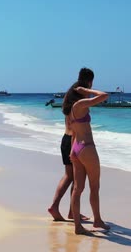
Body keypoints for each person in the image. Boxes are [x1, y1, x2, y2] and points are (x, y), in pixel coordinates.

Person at [63, 67, 110, 234]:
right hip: (87, 148)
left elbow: (73, 131)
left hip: (76, 148)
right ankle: (97, 220)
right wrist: (87, 90)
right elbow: (104, 96)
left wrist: (72, 151)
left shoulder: (70, 110)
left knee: (78, 189)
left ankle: (78, 227)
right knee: (94, 187)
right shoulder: (81, 104)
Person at [47, 69, 95, 222]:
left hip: (65, 139)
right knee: (74, 177)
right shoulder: (81, 94)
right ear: (89, 81)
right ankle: (61, 208)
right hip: (74, 140)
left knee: (72, 177)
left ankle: (68, 211)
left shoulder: (70, 94)